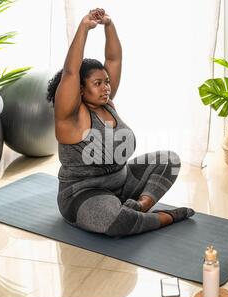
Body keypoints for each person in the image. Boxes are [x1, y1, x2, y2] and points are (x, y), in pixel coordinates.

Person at [46, 8, 195, 237]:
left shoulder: (107, 103)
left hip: (123, 185)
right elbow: (70, 71)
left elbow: (114, 59)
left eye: (107, 81)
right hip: (84, 195)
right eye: (98, 83)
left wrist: (109, 25)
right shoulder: (71, 119)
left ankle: (141, 207)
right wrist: (84, 27)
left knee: (170, 161)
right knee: (115, 221)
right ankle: (164, 217)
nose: (106, 87)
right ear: (80, 90)